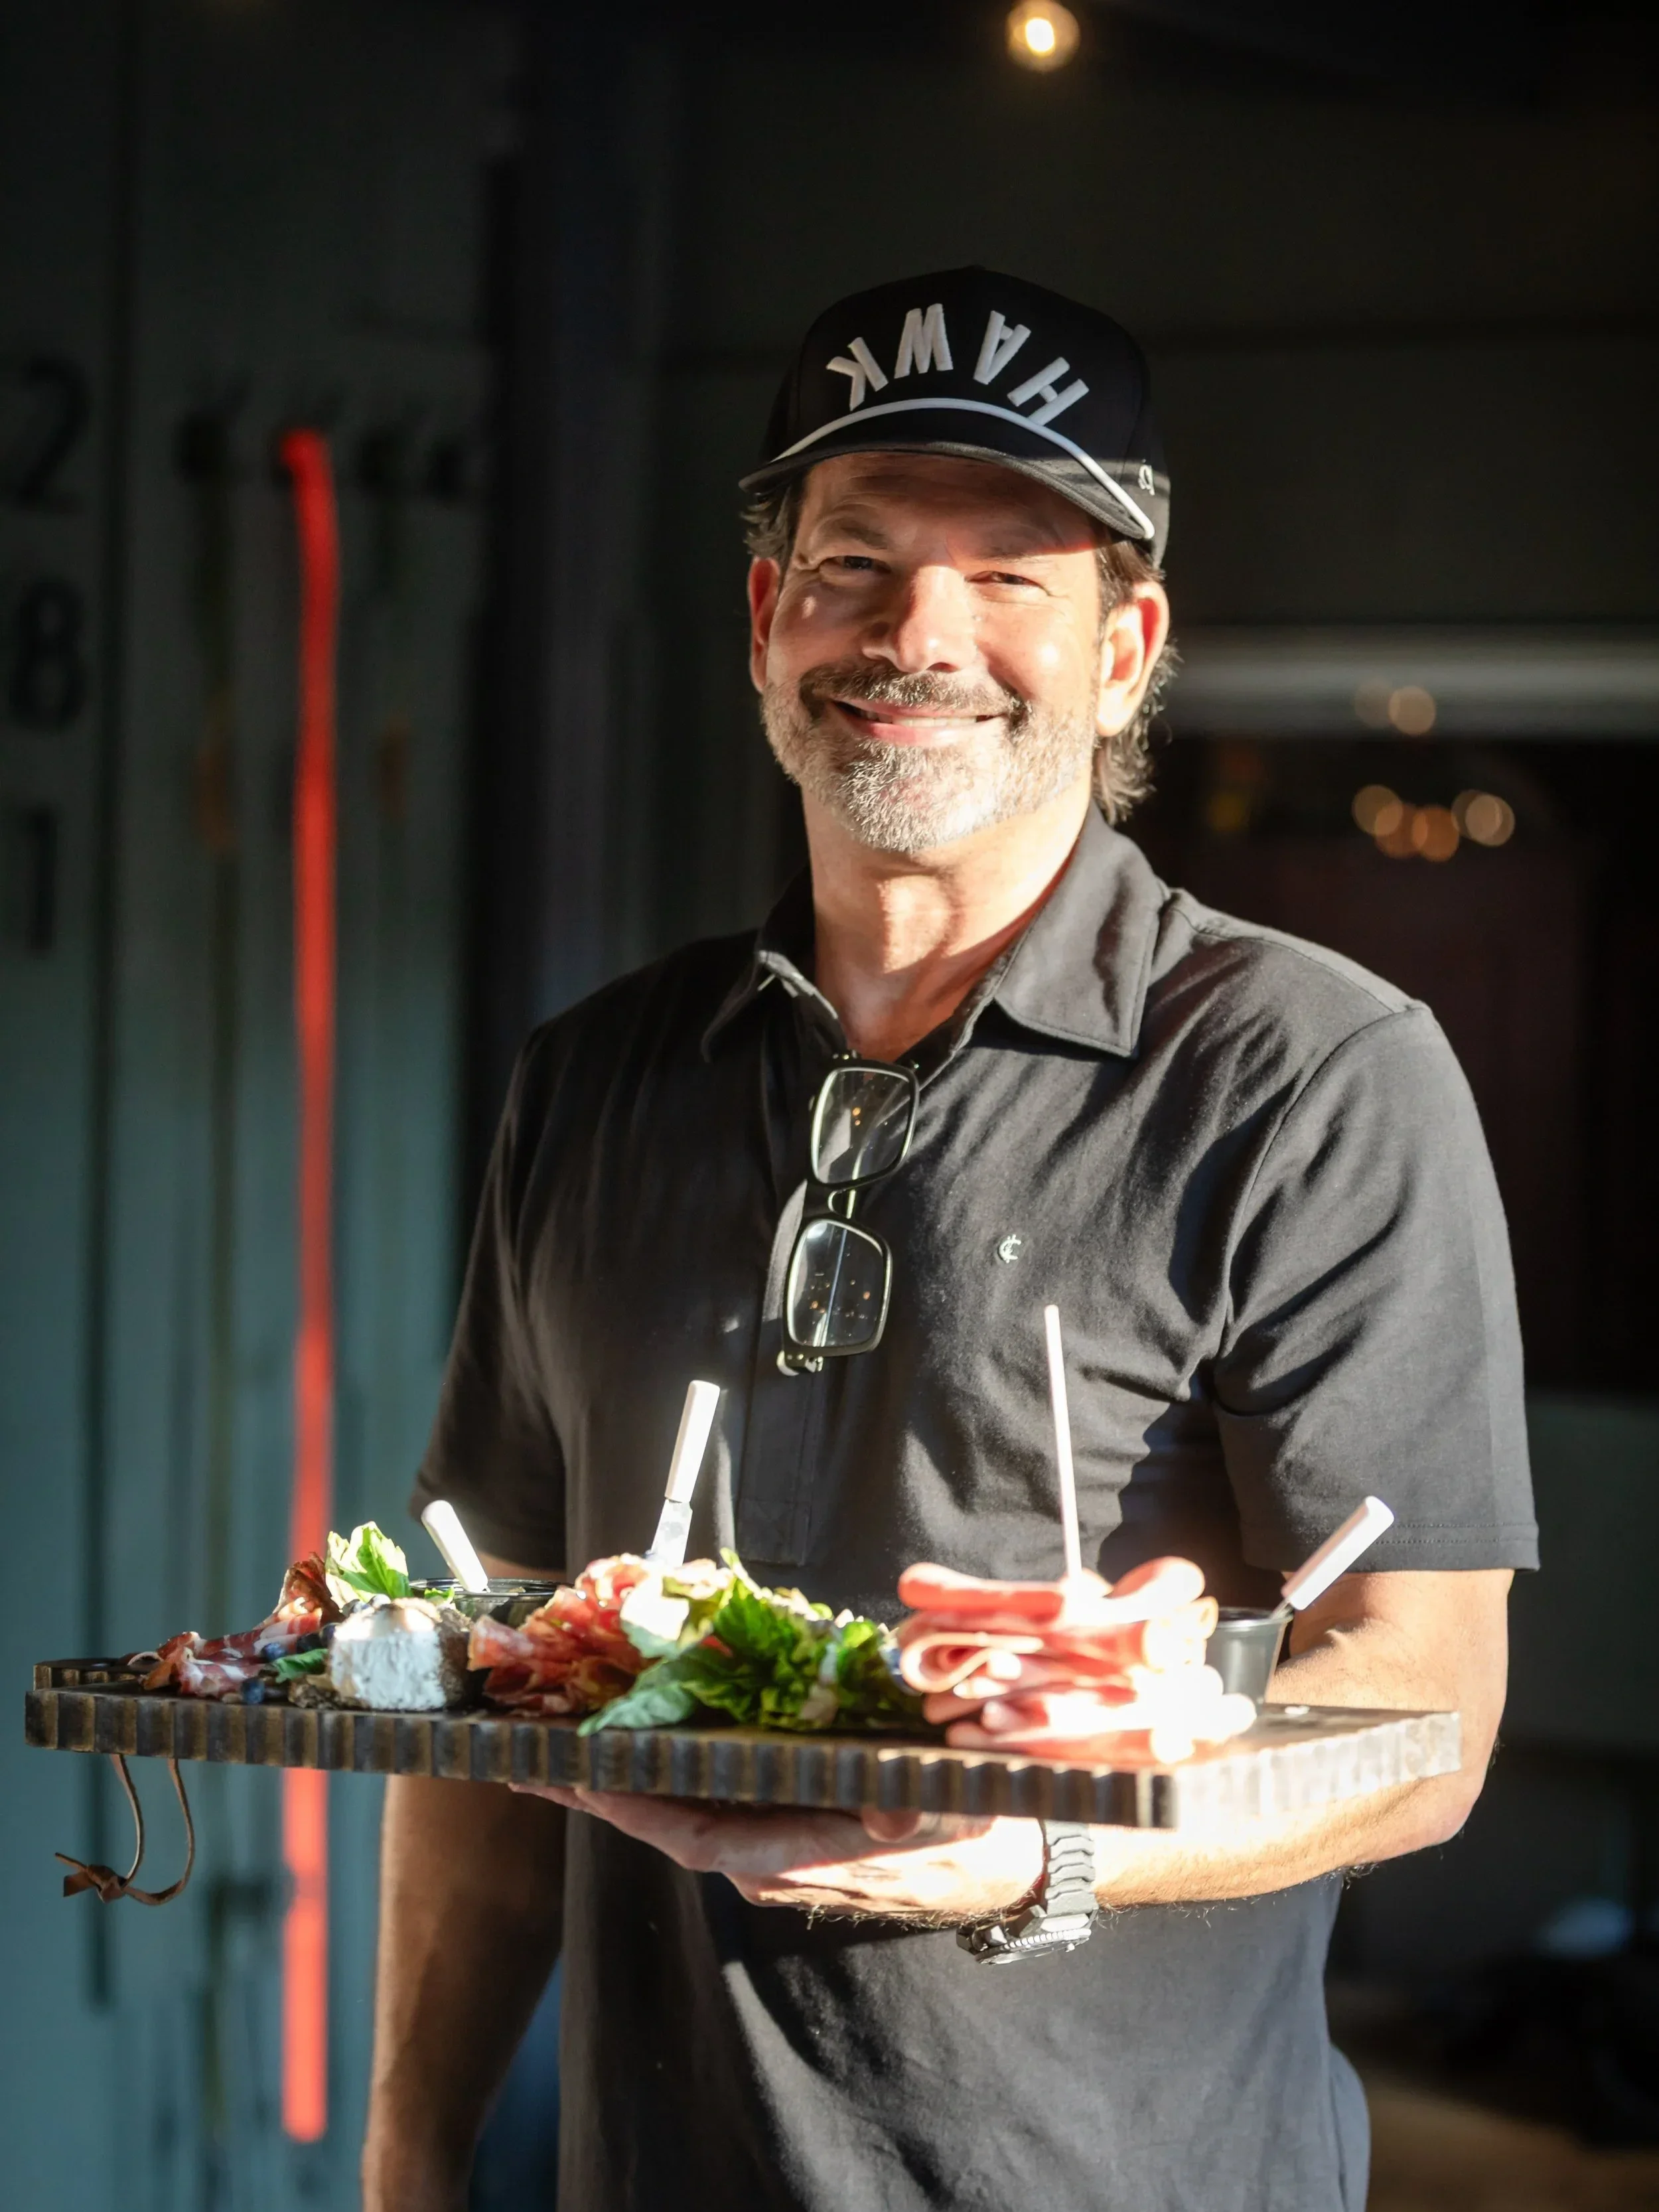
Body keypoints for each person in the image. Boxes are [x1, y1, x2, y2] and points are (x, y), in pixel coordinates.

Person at [364, 267, 1536, 2212]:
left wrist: (1040, 1848)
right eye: (855, 561)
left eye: (1012, 575)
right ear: (763, 620)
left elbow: (1420, 1716)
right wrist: (405, 2169)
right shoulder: (592, 1077)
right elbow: (490, 1693)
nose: (917, 633)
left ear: (1125, 648)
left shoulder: (1311, 1076)